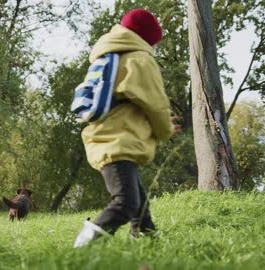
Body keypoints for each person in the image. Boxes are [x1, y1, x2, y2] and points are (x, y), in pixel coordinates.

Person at [73, 8, 181, 247]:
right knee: (126, 201)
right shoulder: (140, 59)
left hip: (107, 137)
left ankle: (148, 240)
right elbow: (155, 102)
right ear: (147, 39)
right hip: (119, 141)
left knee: (139, 203)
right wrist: (165, 130)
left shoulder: (111, 54)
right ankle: (85, 243)